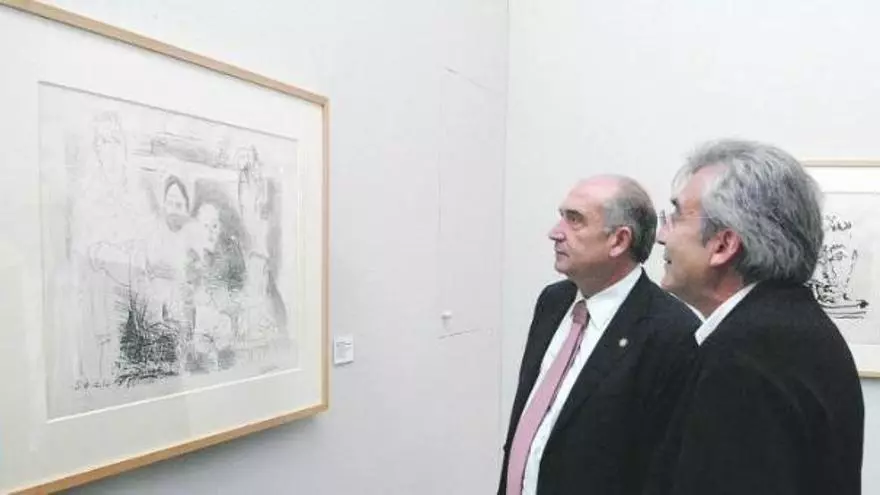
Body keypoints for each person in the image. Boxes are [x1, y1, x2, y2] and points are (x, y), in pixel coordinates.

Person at [646, 139, 864, 495]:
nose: (661, 236)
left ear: (723, 245)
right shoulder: (796, 327)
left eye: (678, 216)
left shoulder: (741, 357)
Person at [499, 175, 700, 495]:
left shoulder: (670, 333)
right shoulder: (553, 302)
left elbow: (659, 470)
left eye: (574, 219)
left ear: (619, 241)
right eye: (562, 216)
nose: (555, 232)